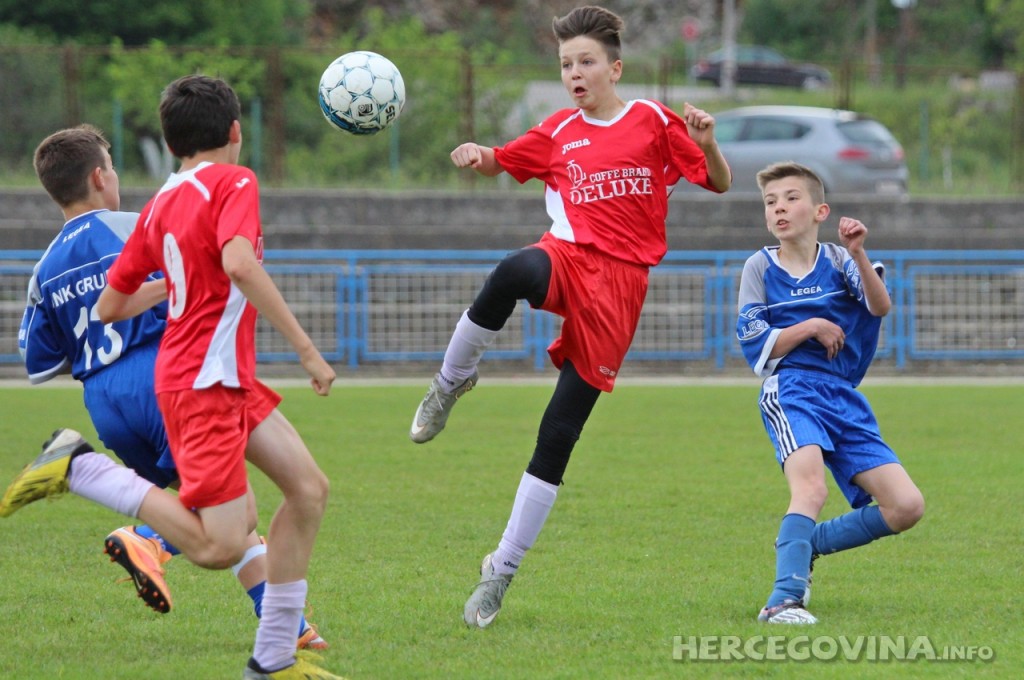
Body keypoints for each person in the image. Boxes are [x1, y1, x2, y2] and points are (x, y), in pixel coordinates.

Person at [1, 76, 341, 679]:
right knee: (222, 540)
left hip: (169, 381)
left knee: (307, 489)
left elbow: (98, 314)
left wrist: (178, 287)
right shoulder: (226, 183)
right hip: (191, 377)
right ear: (236, 132)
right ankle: (85, 472)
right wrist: (307, 350)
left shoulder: (156, 206)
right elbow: (237, 263)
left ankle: (278, 653)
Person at [407, 5, 731, 628]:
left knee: (558, 434)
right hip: (570, 256)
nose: (574, 73)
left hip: (622, 287)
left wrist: (709, 142)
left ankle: (499, 571)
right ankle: (450, 381)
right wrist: (481, 155)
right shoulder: (559, 131)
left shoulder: (653, 121)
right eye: (565, 64)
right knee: (513, 270)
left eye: (586, 62)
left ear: (615, 68)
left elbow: (717, 181)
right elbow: (505, 159)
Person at [736, 161, 925, 624]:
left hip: (841, 395)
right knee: (811, 488)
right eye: (770, 202)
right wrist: (812, 325)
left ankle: (807, 545)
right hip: (792, 390)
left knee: (905, 506)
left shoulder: (840, 260)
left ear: (820, 210)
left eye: (790, 198)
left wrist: (859, 252)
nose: (779, 208)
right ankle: (783, 601)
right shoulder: (759, 267)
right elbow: (756, 343)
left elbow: (880, 305)